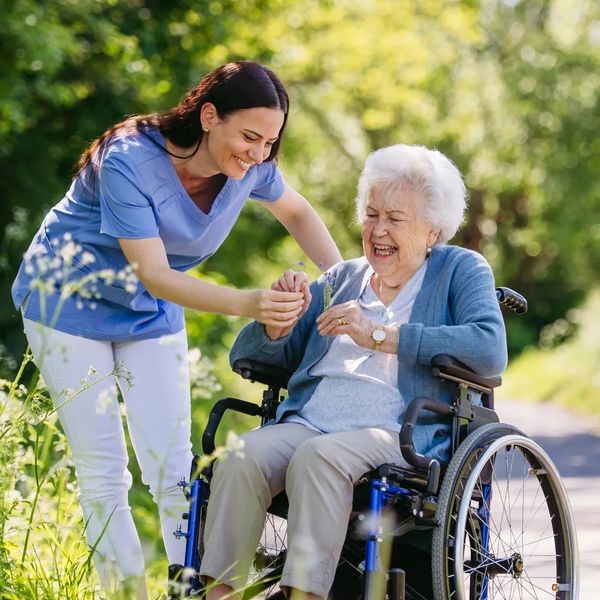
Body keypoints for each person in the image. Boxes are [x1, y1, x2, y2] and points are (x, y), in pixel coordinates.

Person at [11, 61, 341, 596]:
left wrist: (348, 282)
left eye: (270, 142)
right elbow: (157, 275)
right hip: (67, 305)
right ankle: (123, 593)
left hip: (147, 313)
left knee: (173, 468)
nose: (258, 153)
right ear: (209, 116)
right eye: (250, 137)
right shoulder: (128, 160)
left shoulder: (253, 168)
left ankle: (193, 590)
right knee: (104, 471)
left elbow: (299, 213)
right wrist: (251, 303)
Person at [199, 144, 508, 600]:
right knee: (240, 456)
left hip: (395, 431)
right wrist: (276, 323)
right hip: (309, 422)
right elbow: (252, 354)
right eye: (371, 215)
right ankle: (216, 595)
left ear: (431, 231)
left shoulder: (460, 270)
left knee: (318, 458)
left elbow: (489, 348)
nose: (378, 230)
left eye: (395, 219)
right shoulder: (341, 279)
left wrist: (383, 335)